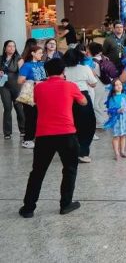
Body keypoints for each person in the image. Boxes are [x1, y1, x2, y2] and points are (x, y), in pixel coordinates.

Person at [19, 58, 88, 218]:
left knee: (37, 172)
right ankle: (65, 204)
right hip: (67, 133)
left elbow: (33, 102)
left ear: (46, 72)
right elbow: (83, 102)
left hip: (44, 135)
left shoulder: (39, 88)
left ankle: (28, 208)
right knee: (70, 169)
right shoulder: (70, 86)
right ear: (63, 72)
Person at [63, 49, 97, 163]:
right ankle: (83, 152)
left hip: (67, 98)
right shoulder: (85, 68)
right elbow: (93, 83)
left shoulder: (64, 70)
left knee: (72, 125)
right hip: (82, 96)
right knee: (88, 124)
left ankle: (71, 151)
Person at [18, 43, 47, 149]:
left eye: (42, 53)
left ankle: (37, 137)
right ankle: (27, 139)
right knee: (31, 117)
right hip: (30, 95)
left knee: (40, 117)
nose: (41, 54)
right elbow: (20, 80)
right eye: (39, 53)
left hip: (41, 94)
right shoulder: (27, 65)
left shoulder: (41, 64)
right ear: (33, 53)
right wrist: (35, 82)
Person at [103, 79, 126, 161]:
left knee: (123, 135)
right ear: (113, 87)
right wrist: (117, 110)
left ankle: (122, 151)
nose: (119, 86)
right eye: (116, 85)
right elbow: (110, 109)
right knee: (116, 136)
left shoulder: (124, 95)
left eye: (120, 84)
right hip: (117, 119)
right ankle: (116, 153)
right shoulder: (112, 98)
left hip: (124, 119)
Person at [1, 40, 23, 140]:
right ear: (5, 48)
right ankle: (7, 132)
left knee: (19, 108)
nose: (12, 48)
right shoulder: (1, 59)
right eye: (9, 46)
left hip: (16, 86)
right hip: (4, 86)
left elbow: (22, 74)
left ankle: (23, 130)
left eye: (13, 46)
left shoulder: (19, 59)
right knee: (7, 108)